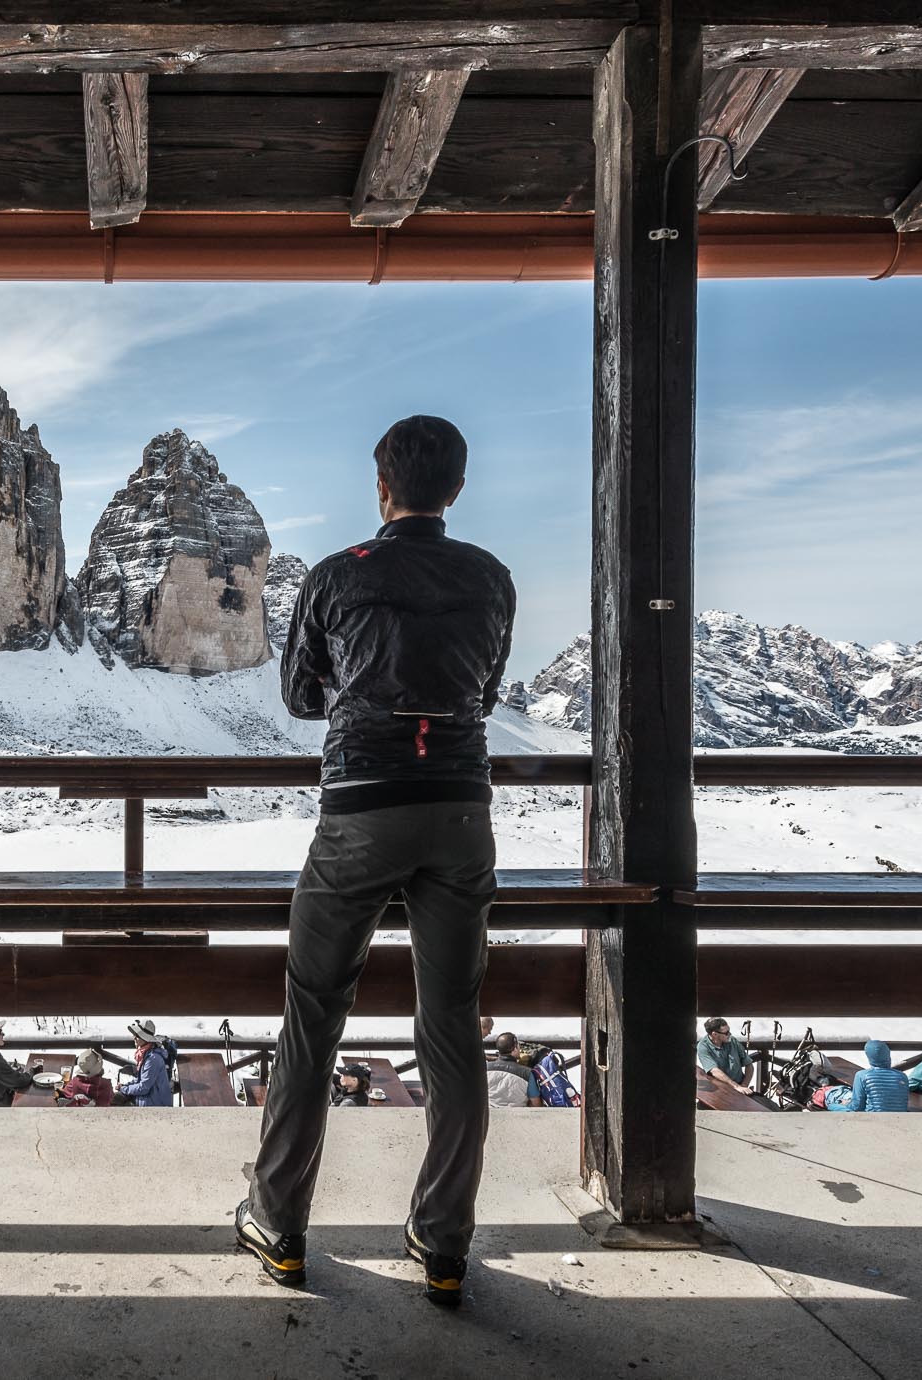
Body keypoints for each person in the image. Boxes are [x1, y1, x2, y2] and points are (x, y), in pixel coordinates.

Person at [237, 415, 513, 1308]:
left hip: (360, 808)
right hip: (462, 813)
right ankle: (443, 1246)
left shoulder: (337, 576)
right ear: (458, 490)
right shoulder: (491, 578)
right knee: (453, 1026)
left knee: (313, 1014)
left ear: (381, 486)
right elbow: (486, 687)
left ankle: (278, 1226)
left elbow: (299, 695)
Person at [825, 1039, 911, 1112]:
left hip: (873, 1120)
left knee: (831, 1106)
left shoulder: (862, 1076)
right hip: (899, 1119)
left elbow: (857, 1107)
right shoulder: (902, 1076)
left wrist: (845, 1103)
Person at [119, 1020, 175, 1107]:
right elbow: (143, 1079)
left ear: (144, 1038)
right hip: (152, 1104)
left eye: (137, 1035)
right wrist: (126, 1086)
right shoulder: (148, 1055)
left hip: (155, 1107)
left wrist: (124, 1089)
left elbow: (144, 1087)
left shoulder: (152, 1059)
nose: (134, 1037)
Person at [486, 1033, 544, 1108]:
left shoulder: (485, 1069)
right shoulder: (527, 1073)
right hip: (517, 1116)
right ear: (515, 1048)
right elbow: (536, 1104)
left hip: (491, 1115)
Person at [696, 1017, 751, 1095]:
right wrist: (736, 1086)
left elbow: (749, 1064)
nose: (730, 1034)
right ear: (714, 1034)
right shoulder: (703, 1047)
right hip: (718, 1090)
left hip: (740, 1086)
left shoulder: (733, 1041)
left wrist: (744, 1085)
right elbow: (714, 1071)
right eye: (726, 1033)